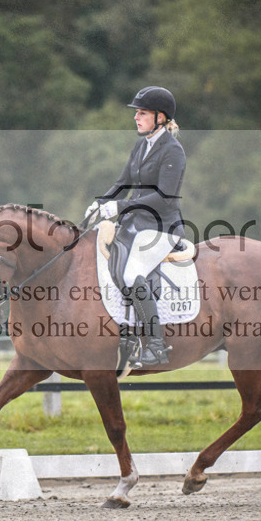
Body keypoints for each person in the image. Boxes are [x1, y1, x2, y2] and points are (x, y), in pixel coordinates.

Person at [85, 86, 186, 367]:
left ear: (160, 117)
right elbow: (123, 183)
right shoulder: (142, 145)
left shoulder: (173, 151)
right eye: (137, 113)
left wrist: (118, 207)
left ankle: (155, 345)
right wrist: (101, 202)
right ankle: (126, 332)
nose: (136, 118)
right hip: (136, 225)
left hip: (162, 228)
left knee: (131, 275)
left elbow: (165, 199)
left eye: (142, 113)